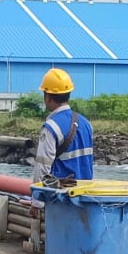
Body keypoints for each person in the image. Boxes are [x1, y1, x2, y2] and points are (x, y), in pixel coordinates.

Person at [29, 67, 94, 220]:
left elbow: (42, 166)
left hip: (61, 198)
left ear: (47, 97)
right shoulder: (86, 124)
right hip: (85, 196)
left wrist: (36, 202)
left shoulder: (51, 127)